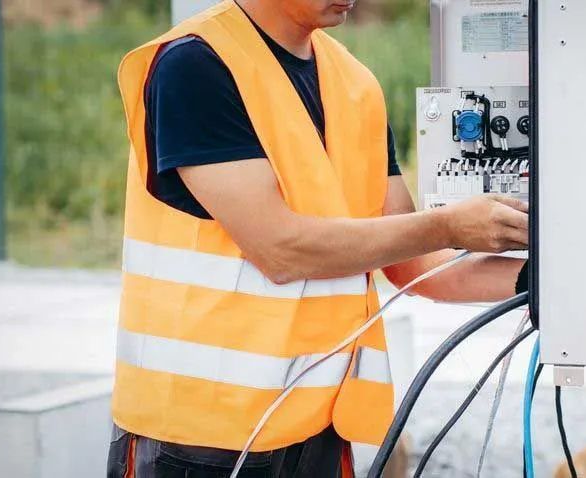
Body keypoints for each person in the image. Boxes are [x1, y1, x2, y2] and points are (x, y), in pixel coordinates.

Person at [107, 1, 528, 476]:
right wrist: (449, 225)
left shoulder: (352, 83)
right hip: (197, 438)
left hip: (317, 429)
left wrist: (544, 279)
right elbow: (280, 250)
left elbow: (417, 265)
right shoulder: (196, 66)